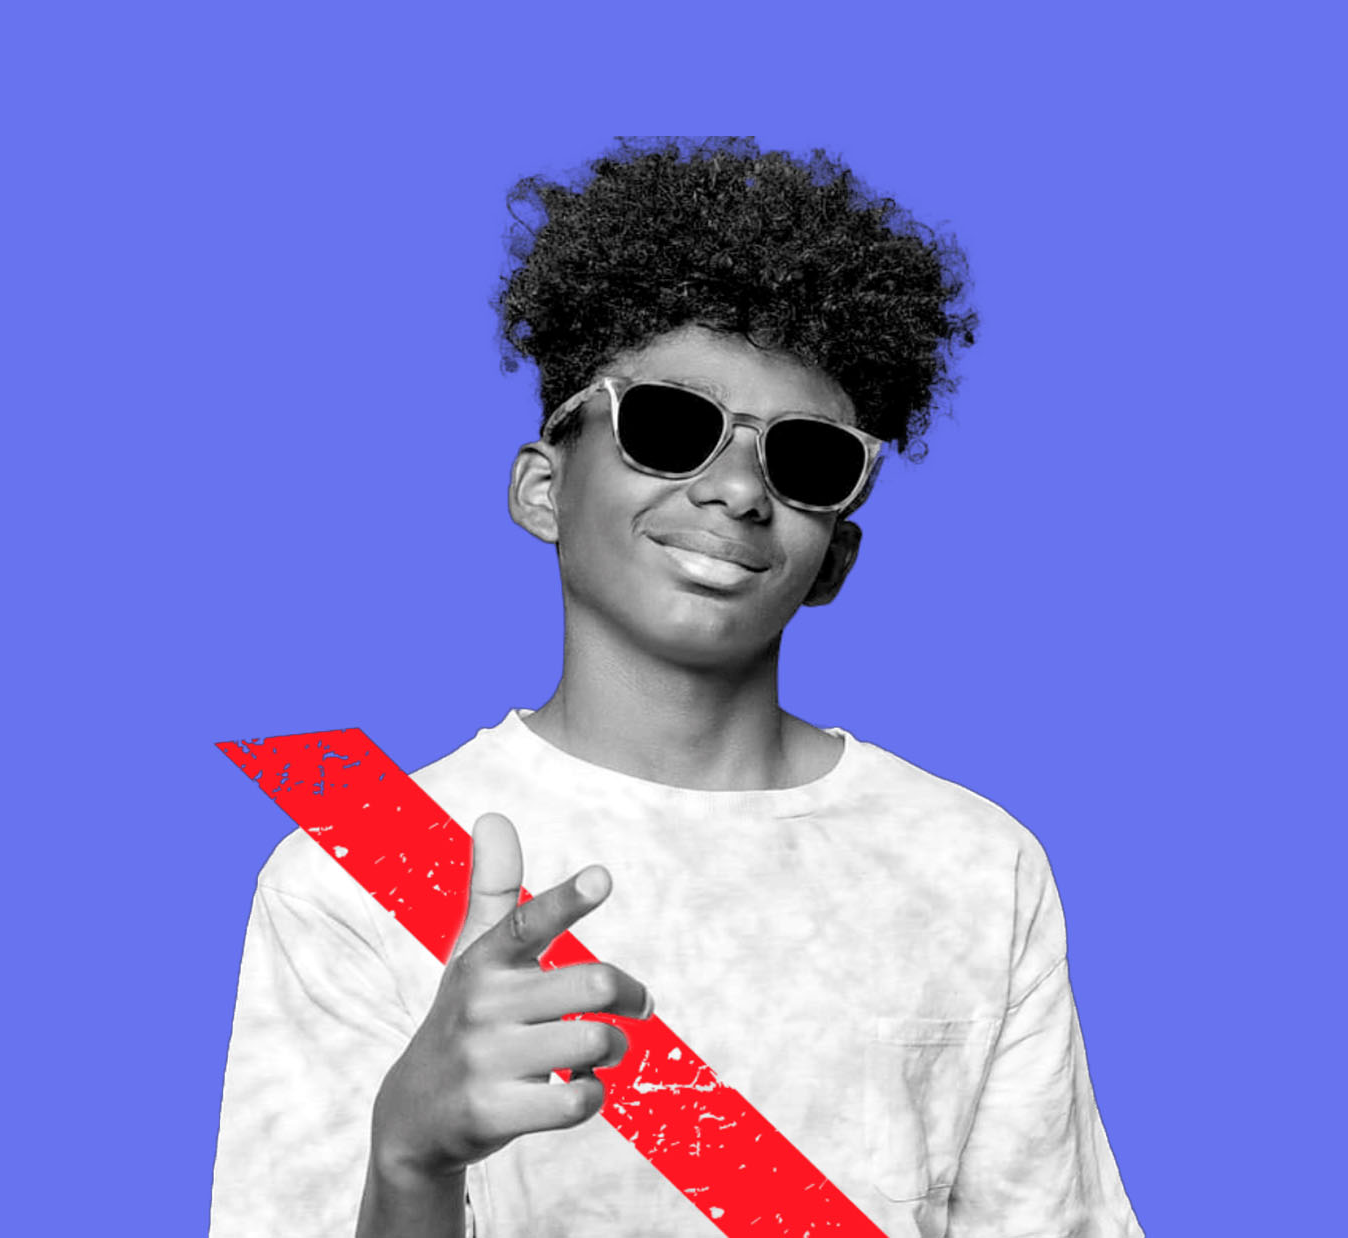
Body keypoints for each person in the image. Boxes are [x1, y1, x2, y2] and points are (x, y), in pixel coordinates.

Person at [211, 138, 1143, 1238]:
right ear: (543, 488)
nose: (739, 489)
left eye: (805, 461)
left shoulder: (976, 861)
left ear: (835, 554)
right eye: (668, 426)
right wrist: (409, 1156)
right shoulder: (354, 863)